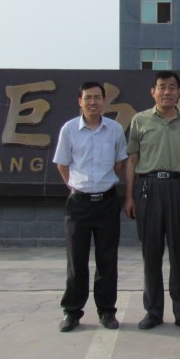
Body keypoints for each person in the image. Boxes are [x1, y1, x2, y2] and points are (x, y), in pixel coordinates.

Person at [125, 70, 180, 332]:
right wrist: (129, 196)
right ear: (153, 92)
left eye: (172, 87)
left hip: (179, 188)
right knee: (151, 254)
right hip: (148, 188)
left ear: (179, 92)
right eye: (162, 87)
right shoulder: (140, 120)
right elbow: (132, 160)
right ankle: (153, 311)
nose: (167, 91)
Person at [53, 81, 128, 332]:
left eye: (97, 97)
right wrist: (75, 187)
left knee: (107, 260)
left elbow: (120, 163)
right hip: (79, 204)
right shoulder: (69, 129)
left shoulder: (115, 129)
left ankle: (106, 311)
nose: (93, 102)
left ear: (104, 101)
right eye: (88, 98)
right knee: (76, 260)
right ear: (80, 101)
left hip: (107, 202)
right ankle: (72, 312)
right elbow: (62, 164)